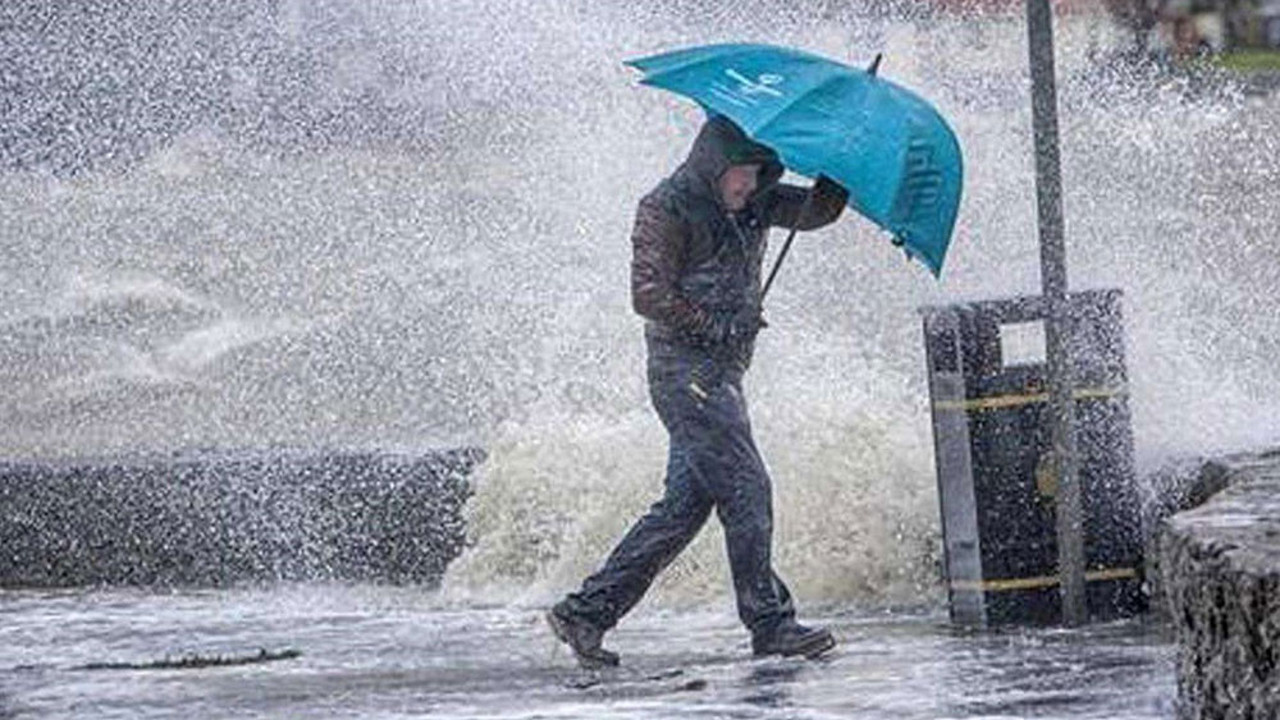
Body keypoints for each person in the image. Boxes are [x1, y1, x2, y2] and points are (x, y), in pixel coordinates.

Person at [547, 115, 848, 668]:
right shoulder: (665, 207)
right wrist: (715, 327)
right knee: (748, 488)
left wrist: (840, 168)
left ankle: (585, 613)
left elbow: (816, 212)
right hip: (684, 374)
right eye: (741, 174)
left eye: (759, 175)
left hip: (722, 376)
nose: (749, 186)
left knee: (684, 508)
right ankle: (770, 623)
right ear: (714, 165)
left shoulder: (755, 200)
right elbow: (647, 294)